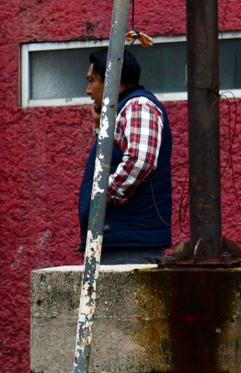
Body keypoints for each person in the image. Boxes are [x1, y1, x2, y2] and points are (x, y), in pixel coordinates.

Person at [80, 48, 173, 265]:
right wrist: (101, 126)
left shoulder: (138, 105)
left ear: (112, 80)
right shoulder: (126, 109)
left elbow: (140, 161)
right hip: (121, 242)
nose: (88, 90)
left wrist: (102, 198)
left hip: (130, 247)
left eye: (92, 81)